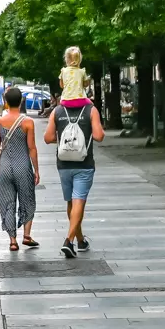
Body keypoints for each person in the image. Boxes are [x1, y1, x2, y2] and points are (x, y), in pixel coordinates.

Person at [44, 93, 105, 257]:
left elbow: (48, 137)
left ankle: (80, 240)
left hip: (63, 164)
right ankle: (69, 241)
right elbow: (99, 136)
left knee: (71, 202)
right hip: (84, 163)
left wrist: (66, 140)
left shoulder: (57, 111)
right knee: (79, 201)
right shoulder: (91, 110)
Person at [0, 87, 41, 251]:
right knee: (27, 199)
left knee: (7, 201)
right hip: (23, 166)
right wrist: (36, 169)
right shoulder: (27, 122)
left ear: (5, 102)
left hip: (5, 166)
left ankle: (13, 240)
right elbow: (32, 148)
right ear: (21, 101)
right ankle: (26, 235)